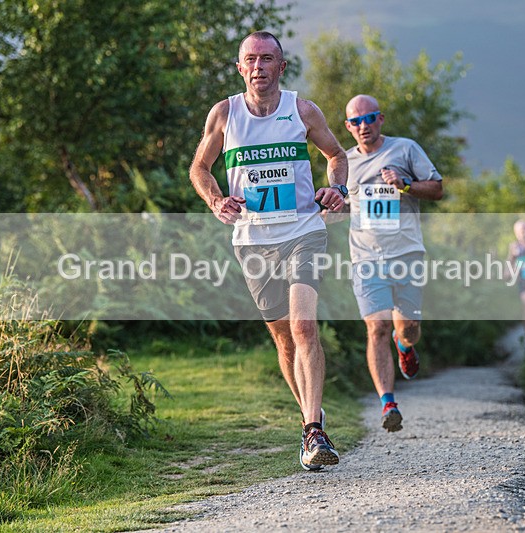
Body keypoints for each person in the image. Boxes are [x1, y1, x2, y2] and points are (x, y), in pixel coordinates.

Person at [188, 31, 349, 470]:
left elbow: (336, 155)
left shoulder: (302, 110)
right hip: (253, 239)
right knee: (282, 337)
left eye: (267, 59)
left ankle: (313, 430)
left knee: (302, 327)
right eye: (250, 60)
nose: (258, 66)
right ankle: (309, 419)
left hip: (303, 230)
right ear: (240, 68)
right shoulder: (225, 114)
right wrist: (216, 200)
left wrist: (337, 189)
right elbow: (199, 167)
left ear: (282, 66)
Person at [341, 94, 443, 432]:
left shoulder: (405, 149)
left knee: (407, 328)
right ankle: (388, 403)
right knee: (376, 327)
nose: (363, 126)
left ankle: (404, 345)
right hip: (366, 258)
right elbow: (339, 205)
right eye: (355, 121)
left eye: (369, 118)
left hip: (407, 253)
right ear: (348, 127)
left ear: (380, 119)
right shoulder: (343, 162)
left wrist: (406, 185)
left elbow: (438, 188)